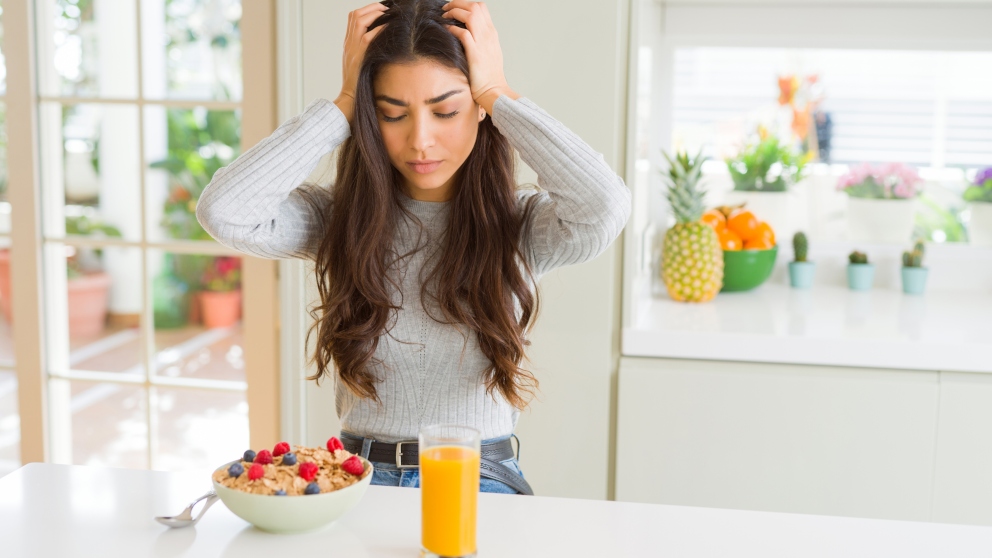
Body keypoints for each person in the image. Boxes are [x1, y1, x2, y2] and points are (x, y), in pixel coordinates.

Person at [195, 0, 630, 495]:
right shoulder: (338, 220)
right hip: (356, 479)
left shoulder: (521, 224)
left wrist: (498, 92)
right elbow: (225, 212)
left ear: (480, 113)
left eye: (446, 110)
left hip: (477, 478)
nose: (421, 140)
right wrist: (342, 104)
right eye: (391, 113)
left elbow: (605, 206)